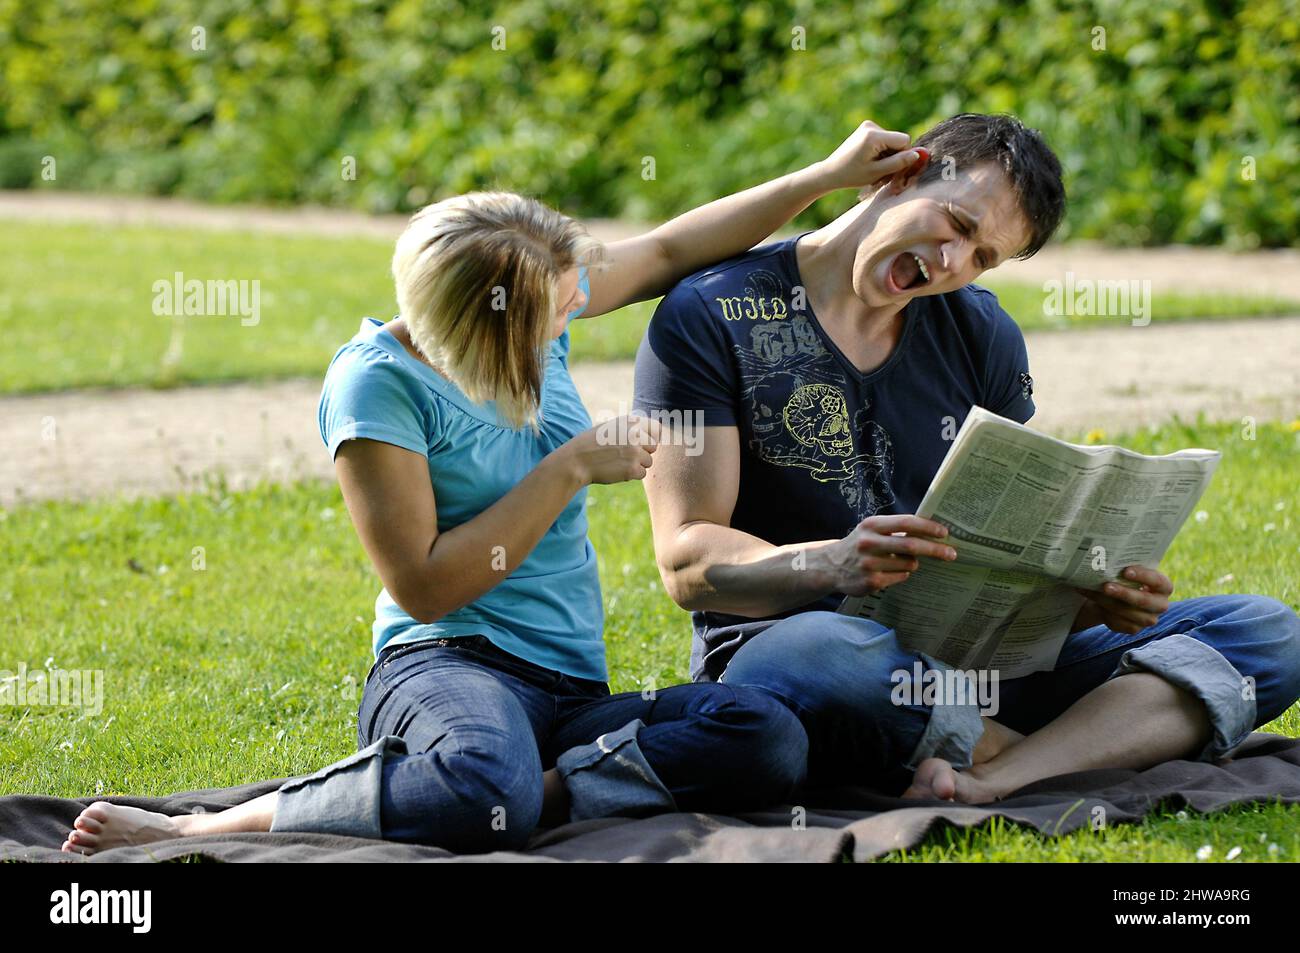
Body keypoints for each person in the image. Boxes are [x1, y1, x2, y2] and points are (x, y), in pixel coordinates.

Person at [61, 121, 931, 854]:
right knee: (483, 772)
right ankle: (217, 826)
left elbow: (669, 248)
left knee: (764, 736)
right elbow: (426, 587)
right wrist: (568, 469)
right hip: (446, 666)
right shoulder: (377, 386)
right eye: (560, 308)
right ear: (486, 323)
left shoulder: (532, 309)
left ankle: (520, 792)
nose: (576, 312)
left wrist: (826, 177)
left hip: (569, 691)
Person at [632, 112, 1300, 802]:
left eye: (983, 257)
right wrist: (834, 561)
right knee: (813, 650)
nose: (954, 263)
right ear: (900, 175)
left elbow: (1020, 550)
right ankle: (1069, 747)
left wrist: (1093, 597)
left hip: (978, 665)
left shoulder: (982, 331)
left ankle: (999, 771)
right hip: (811, 666)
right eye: (956, 223)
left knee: (1268, 631)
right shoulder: (710, 313)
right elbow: (687, 561)